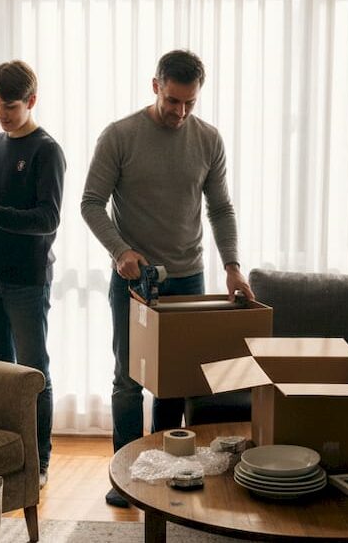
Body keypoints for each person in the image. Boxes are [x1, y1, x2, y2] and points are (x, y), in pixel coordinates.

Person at [81, 49, 255, 508]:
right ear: (155, 85)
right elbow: (91, 203)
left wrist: (233, 265)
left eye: (190, 103)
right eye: (173, 101)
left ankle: (160, 474)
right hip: (134, 280)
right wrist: (120, 251)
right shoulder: (120, 136)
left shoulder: (209, 140)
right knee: (128, 380)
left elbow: (220, 208)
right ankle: (124, 476)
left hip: (188, 278)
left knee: (174, 382)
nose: (180, 112)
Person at [0, 60, 65, 488]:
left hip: (27, 279)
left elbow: (48, 218)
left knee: (33, 371)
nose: (1, 114)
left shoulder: (47, 150)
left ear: (32, 101)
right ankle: (4, 457)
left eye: (9, 106)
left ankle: (39, 461)